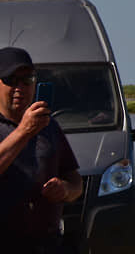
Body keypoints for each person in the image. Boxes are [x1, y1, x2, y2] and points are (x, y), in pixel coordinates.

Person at [0, 47, 83, 252]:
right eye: (11, 80)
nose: (20, 87)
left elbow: (76, 181)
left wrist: (65, 190)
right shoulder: (30, 127)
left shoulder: (49, 125)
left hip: (48, 244)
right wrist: (24, 132)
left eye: (26, 79)